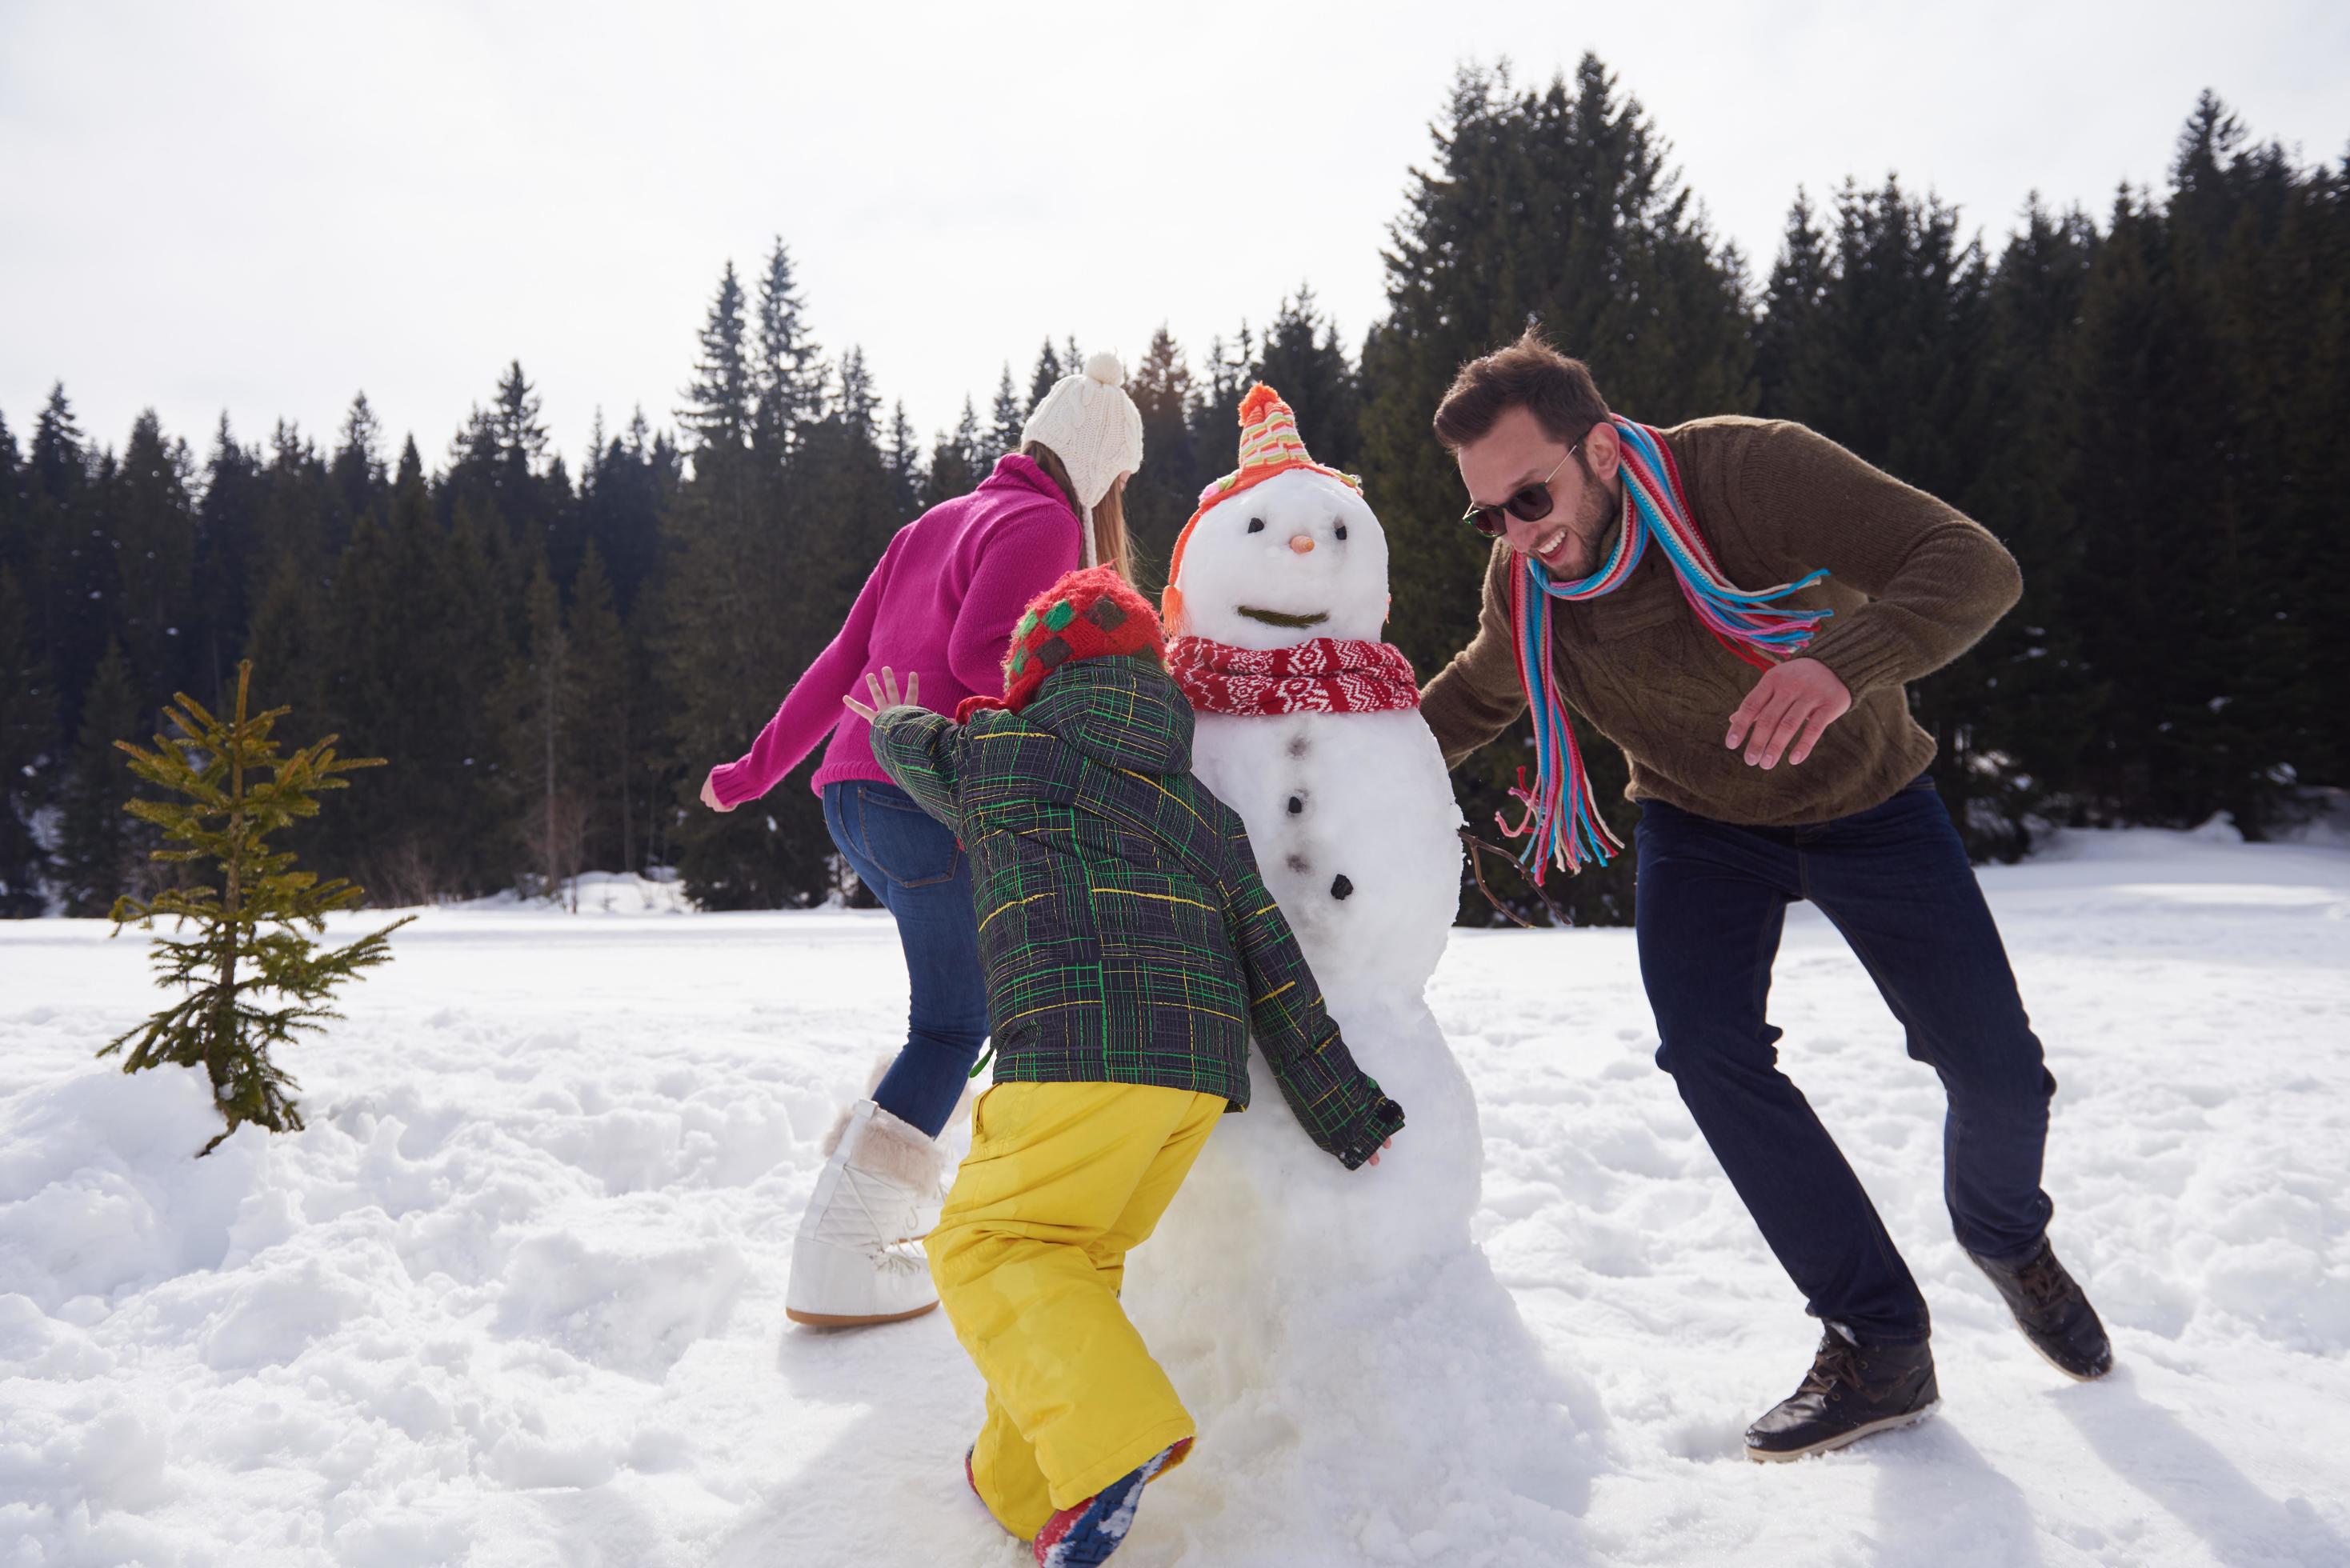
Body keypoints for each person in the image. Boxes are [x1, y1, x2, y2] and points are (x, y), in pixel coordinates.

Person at [1417, 328, 2113, 1462]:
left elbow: (1971, 562)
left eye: (1529, 496)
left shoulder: (1747, 473)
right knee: (1706, 1049)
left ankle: (2005, 1236)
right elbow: (1475, 697)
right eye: (1487, 514)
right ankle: (1877, 1338)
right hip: (1702, 825)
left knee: (1996, 1072)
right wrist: (1331, 767)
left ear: (1597, 448)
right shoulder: (1530, 584)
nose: (1515, 534)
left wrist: (1842, 663)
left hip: (1870, 802)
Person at [853, 565, 1403, 1564]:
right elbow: (1277, 974)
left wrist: (892, 724)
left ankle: (1112, 1447)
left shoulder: (1005, 753)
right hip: (1189, 1083)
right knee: (1071, 1259)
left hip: (1073, 1056)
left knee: (987, 1246)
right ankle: (1024, 1483)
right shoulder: (1202, 813)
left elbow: (923, 753)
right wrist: (1345, 1109)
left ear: (1036, 680)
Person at [699, 354, 1144, 1328]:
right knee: (953, 1023)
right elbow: (983, 653)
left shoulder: (933, 522)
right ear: (1102, 469)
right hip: (924, 795)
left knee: (963, 1012)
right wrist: (1096, 717)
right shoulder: (1045, 524)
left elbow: (841, 662)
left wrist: (750, 771)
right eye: (1121, 485)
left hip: (855, 797)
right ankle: (841, 1256)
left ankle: (880, 1211)